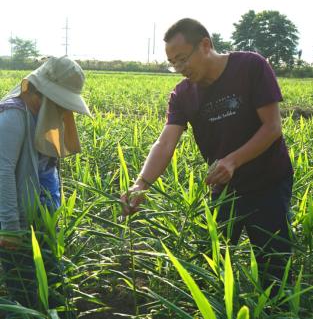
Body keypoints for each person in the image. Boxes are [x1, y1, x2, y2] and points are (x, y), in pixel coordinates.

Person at [121, 18, 294, 296]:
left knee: (274, 271)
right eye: (172, 63)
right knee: (212, 266)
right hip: (225, 189)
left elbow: (272, 127)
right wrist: (141, 184)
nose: (179, 68)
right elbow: (165, 144)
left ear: (205, 45)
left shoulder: (250, 66)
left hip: (268, 183)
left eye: (182, 59)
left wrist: (233, 160)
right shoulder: (183, 94)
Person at [0, 56, 91, 318]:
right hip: (17, 225)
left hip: (41, 221)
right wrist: (9, 227)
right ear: (44, 95)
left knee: (49, 283)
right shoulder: (13, 116)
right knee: (26, 287)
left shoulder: (36, 114)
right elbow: (3, 171)